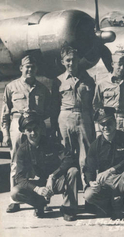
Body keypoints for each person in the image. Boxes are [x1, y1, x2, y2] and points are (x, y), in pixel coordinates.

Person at [1, 55, 51, 213]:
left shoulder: (43, 89)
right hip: (17, 127)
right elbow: (5, 113)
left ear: (36, 69)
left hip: (36, 127)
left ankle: (41, 200)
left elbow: (48, 111)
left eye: (33, 67)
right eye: (27, 67)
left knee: (39, 164)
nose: (30, 70)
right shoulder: (11, 87)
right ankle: (13, 200)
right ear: (21, 68)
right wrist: (6, 133)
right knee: (16, 163)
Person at [11, 111, 78, 221]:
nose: (33, 133)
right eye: (29, 130)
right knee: (15, 192)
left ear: (40, 128)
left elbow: (69, 157)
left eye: (35, 128)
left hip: (56, 181)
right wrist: (37, 189)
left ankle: (68, 208)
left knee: (73, 171)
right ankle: (39, 204)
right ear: (23, 131)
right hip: (39, 184)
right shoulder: (22, 150)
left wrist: (54, 176)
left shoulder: (50, 142)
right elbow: (19, 177)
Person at [84, 107, 124, 220]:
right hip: (106, 182)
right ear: (99, 126)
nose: (106, 127)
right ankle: (113, 207)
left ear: (115, 122)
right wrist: (91, 182)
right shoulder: (95, 145)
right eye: (102, 124)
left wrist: (111, 170)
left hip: (123, 178)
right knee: (88, 194)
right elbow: (88, 168)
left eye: (109, 123)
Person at [52, 45, 96, 186]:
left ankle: (88, 187)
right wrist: (54, 128)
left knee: (86, 155)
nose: (71, 63)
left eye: (74, 59)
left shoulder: (88, 80)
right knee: (67, 155)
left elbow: (93, 103)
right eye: (68, 60)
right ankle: (69, 190)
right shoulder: (58, 81)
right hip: (64, 117)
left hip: (83, 117)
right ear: (62, 62)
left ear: (79, 60)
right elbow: (54, 106)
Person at [93, 50, 124, 136]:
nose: (122, 68)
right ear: (112, 64)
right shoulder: (102, 83)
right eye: (119, 64)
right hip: (108, 123)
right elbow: (96, 106)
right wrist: (98, 129)